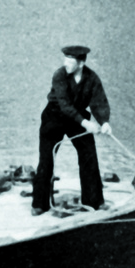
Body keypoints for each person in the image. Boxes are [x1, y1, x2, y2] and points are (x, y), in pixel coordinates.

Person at [31, 45, 112, 216]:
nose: (65, 63)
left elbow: (99, 102)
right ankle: (40, 203)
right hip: (54, 116)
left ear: (81, 63)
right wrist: (86, 123)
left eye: (70, 60)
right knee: (46, 159)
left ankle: (93, 201)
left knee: (89, 155)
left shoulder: (92, 78)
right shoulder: (59, 75)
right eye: (65, 59)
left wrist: (104, 122)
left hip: (77, 118)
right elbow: (65, 105)